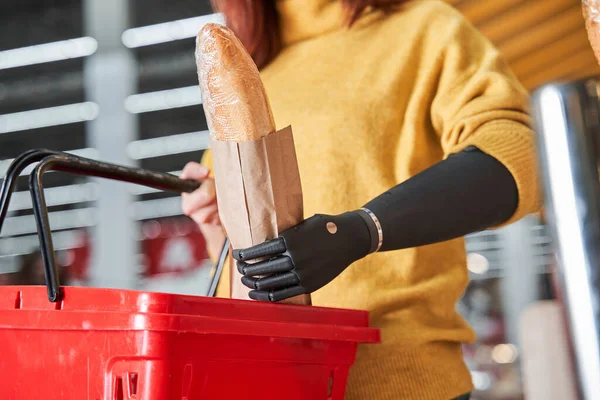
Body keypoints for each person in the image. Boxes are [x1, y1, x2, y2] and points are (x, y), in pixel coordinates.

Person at [180, 1, 540, 399]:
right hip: (278, 384)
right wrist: (218, 228)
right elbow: (252, 274)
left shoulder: (424, 28)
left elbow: (521, 153)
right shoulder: (248, 75)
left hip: (402, 380)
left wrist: (360, 230)